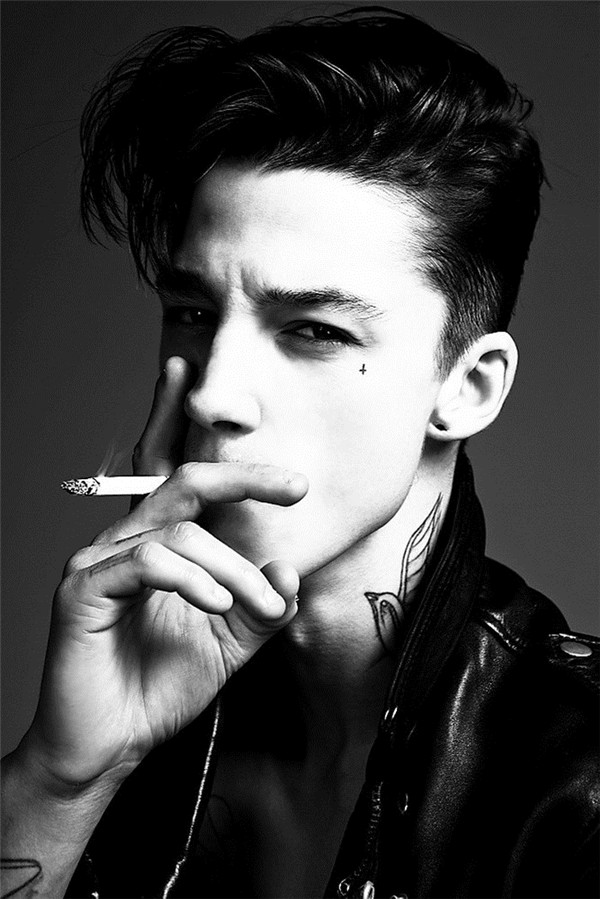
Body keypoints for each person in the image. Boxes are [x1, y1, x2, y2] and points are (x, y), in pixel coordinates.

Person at [1, 7, 598, 899]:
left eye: (314, 329)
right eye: (194, 312)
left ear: (468, 387)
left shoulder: (577, 785)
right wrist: (60, 778)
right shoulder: (139, 699)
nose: (212, 393)